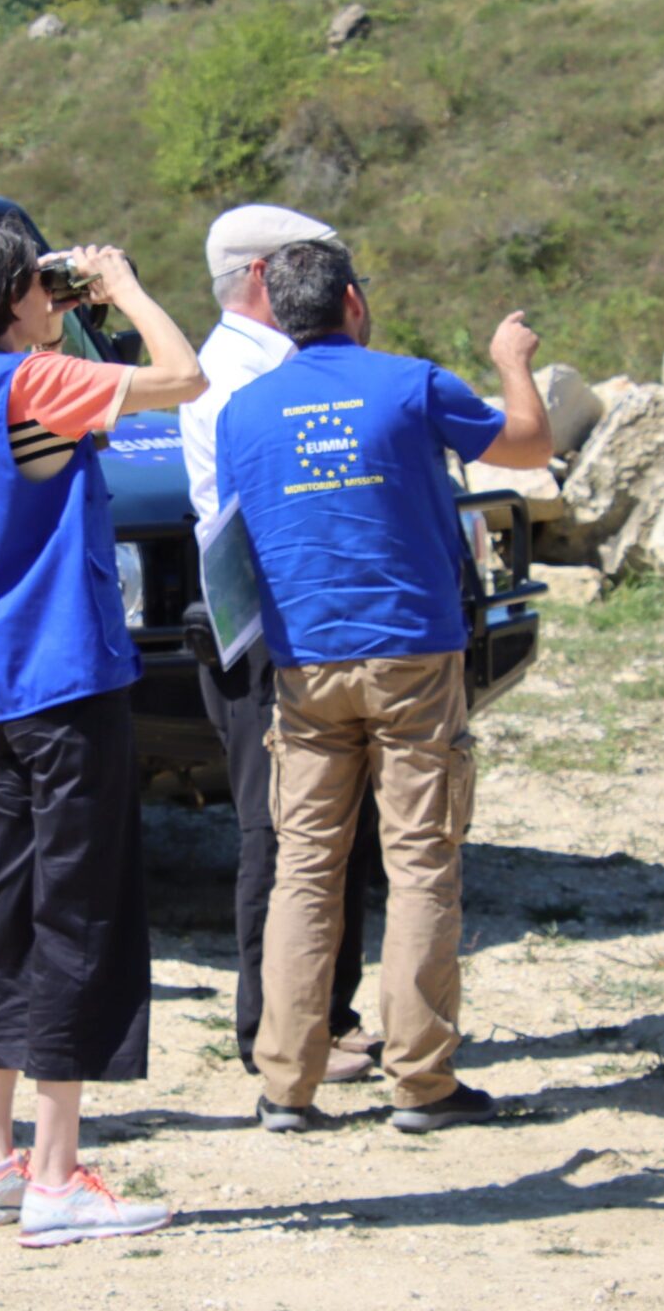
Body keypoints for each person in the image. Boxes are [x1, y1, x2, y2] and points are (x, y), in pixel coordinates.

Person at [0, 213, 204, 1247]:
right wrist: (119, 287)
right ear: (5, 303)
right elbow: (183, 378)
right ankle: (55, 1173)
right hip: (64, 678)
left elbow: (46, 390)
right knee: (81, 918)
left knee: (12, 913)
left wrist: (54, 303)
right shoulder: (35, 384)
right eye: (33, 288)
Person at [215, 238, 551, 1133]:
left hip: (303, 666)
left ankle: (285, 1082)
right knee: (420, 865)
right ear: (354, 302)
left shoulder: (242, 412)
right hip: (411, 656)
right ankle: (422, 1081)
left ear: (280, 315)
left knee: (305, 872)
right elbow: (529, 444)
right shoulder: (410, 383)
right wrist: (513, 364)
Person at [177, 205, 381, 1086]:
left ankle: (328, 1013)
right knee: (277, 828)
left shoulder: (273, 364)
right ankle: (274, 1026)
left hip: (312, 620)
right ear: (263, 276)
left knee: (341, 826)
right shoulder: (230, 374)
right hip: (263, 625)